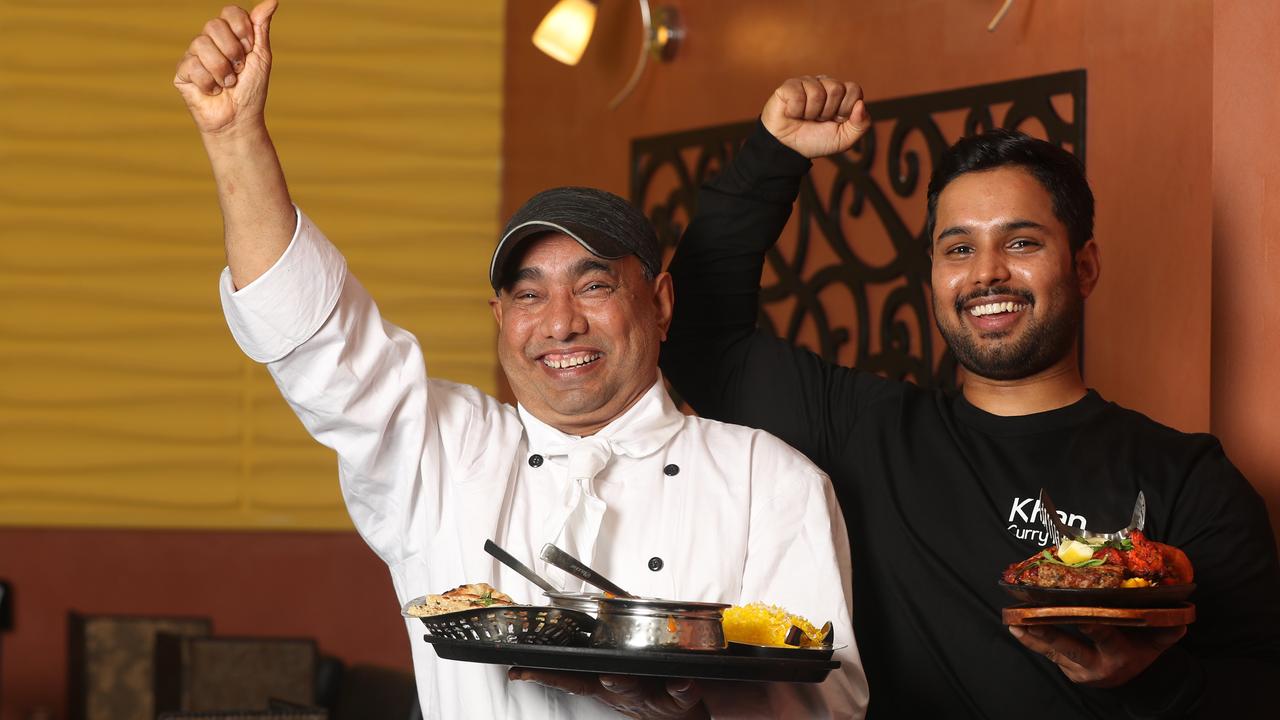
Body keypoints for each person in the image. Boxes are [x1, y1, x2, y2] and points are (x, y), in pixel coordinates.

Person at [173, 4, 867, 719]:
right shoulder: (443, 455)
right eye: (528, 296)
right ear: (501, 321)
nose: (560, 323)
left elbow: (826, 705)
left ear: (660, 302)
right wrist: (234, 138)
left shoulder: (770, 481)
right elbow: (315, 337)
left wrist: (682, 709)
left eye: (595, 285)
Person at [660, 75, 1280, 718]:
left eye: (1021, 242)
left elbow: (1262, 688)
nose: (986, 272)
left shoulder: (1188, 478)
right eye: (958, 248)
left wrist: (1150, 677)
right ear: (932, 274)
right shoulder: (862, 431)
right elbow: (698, 336)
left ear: (1085, 266)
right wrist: (773, 154)